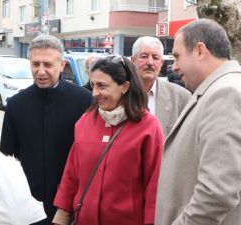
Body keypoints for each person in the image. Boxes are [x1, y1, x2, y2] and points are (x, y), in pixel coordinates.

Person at [155, 19, 241, 225]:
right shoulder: (222, 89)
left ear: (200, 51)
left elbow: (217, 192)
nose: (174, 67)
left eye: (177, 56)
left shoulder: (226, 94)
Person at [53, 56, 163, 225]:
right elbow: (72, 176)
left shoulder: (149, 126)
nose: (95, 93)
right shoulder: (84, 122)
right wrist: (60, 218)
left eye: (102, 86)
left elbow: (154, 185)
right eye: (93, 85)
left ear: (125, 86)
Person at [0, 35, 94, 224]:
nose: (41, 71)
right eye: (35, 64)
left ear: (62, 65)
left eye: (48, 65)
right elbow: (7, 160)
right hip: (28, 206)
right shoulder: (16, 104)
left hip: (74, 208)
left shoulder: (85, 101)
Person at [131, 36, 191, 137]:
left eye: (155, 58)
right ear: (133, 60)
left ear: (161, 63)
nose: (150, 63)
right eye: (144, 57)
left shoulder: (181, 97)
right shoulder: (119, 94)